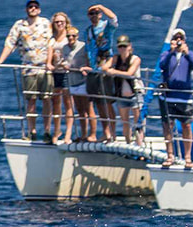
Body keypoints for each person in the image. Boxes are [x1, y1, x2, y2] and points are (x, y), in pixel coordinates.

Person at [0, 0, 53, 143]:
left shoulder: (46, 23)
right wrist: (1, 60)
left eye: (35, 7)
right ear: (26, 9)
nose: (33, 9)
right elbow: (10, 43)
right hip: (28, 68)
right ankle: (32, 131)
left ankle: (48, 131)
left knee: (47, 100)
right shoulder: (19, 25)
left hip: (45, 68)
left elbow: (52, 43)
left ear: (39, 9)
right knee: (30, 101)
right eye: (30, 7)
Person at [158, 28, 193, 168]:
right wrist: (171, 51)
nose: (178, 41)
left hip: (184, 97)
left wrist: (187, 53)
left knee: (186, 126)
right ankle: (170, 155)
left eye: (180, 38)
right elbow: (162, 65)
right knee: (168, 127)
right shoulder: (166, 54)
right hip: (169, 98)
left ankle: (187, 156)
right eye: (176, 38)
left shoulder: (189, 55)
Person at [85, 4, 119, 142]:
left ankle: (113, 132)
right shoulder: (88, 31)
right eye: (91, 13)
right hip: (94, 70)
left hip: (104, 68)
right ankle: (106, 132)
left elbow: (114, 18)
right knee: (98, 103)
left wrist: (101, 6)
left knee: (108, 102)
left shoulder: (106, 26)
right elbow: (88, 49)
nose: (94, 15)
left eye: (96, 13)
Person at [102, 35, 143, 146]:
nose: (122, 49)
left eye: (125, 46)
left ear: (130, 46)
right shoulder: (116, 58)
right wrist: (109, 68)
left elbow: (130, 73)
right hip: (122, 94)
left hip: (135, 93)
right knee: (125, 121)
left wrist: (114, 71)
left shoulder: (135, 59)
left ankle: (139, 143)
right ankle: (128, 142)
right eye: (120, 46)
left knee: (137, 121)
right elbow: (104, 68)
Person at [60, 27, 92, 143]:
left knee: (88, 108)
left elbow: (89, 60)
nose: (71, 38)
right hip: (72, 80)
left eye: (73, 36)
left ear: (77, 36)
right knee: (79, 108)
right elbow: (65, 60)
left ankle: (91, 134)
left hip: (83, 80)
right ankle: (83, 135)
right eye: (68, 36)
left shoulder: (83, 47)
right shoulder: (65, 48)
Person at [46, 12, 72, 144]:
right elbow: (49, 56)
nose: (60, 24)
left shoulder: (69, 38)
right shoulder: (52, 39)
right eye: (57, 22)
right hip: (56, 72)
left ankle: (68, 133)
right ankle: (56, 130)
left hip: (67, 73)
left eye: (62, 21)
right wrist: (49, 64)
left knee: (68, 102)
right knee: (55, 102)